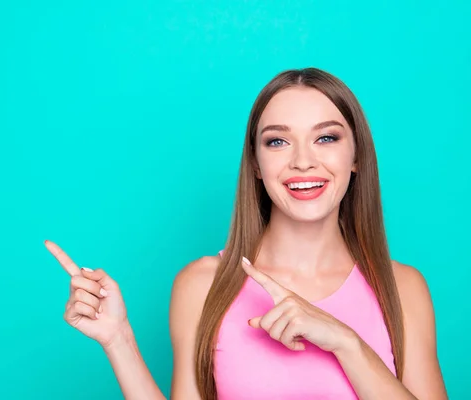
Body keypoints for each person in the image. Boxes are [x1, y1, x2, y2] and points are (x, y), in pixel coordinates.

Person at [45, 67, 448, 399]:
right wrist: (119, 340)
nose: (303, 161)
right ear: (256, 164)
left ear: (356, 155)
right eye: (277, 141)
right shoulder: (203, 285)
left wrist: (346, 343)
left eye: (326, 138)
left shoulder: (401, 287)